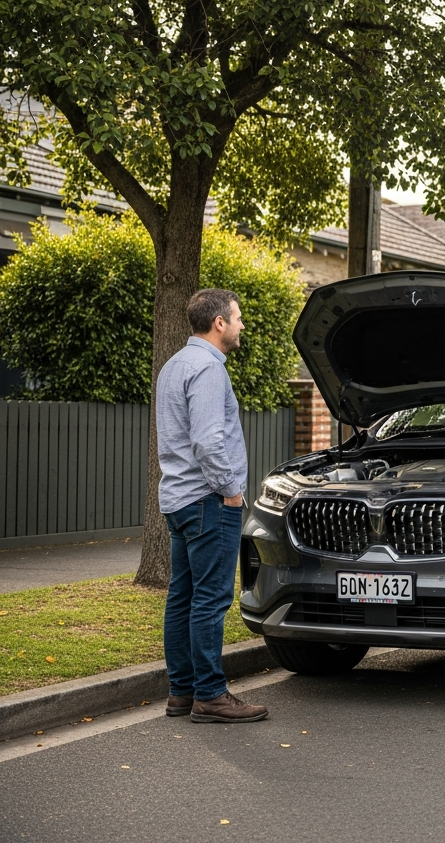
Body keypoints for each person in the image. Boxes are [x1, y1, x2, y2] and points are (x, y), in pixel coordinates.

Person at [155, 289, 268, 722]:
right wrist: (231, 490)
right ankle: (210, 695)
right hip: (208, 500)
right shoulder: (207, 369)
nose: (241, 325)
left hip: (179, 499)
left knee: (181, 596)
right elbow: (206, 439)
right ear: (218, 322)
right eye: (237, 318)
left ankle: (181, 693)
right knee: (210, 599)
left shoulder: (174, 365)